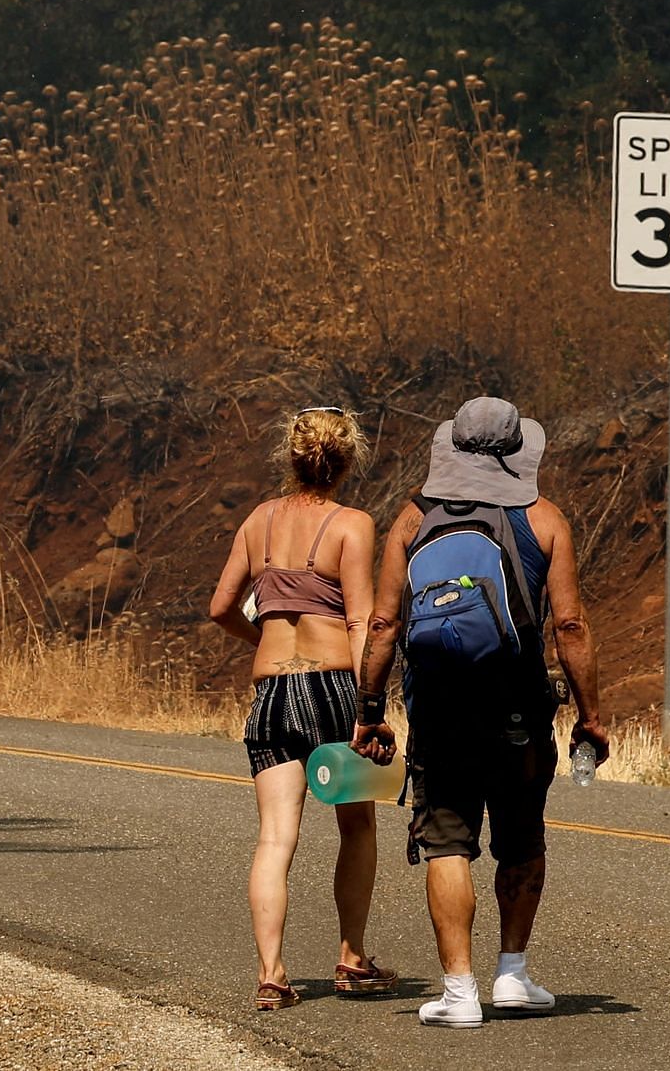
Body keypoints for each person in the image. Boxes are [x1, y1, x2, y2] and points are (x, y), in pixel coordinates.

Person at [354, 395, 606, 1028]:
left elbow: (385, 621)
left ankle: (459, 990)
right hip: (518, 708)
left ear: (452, 447)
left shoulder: (412, 520)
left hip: (438, 708)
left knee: (448, 842)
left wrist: (370, 706)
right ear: (520, 449)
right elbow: (570, 624)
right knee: (521, 836)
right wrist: (591, 714)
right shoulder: (544, 519)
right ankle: (513, 975)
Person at [206, 405, 395, 1012]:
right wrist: (372, 707)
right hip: (334, 685)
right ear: (347, 461)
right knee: (356, 823)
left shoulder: (257, 522)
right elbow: (363, 618)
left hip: (271, 694)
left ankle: (271, 974)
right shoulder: (352, 524)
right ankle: (351, 956)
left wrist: (262, 639)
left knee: (275, 837)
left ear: (290, 456)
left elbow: (220, 608)